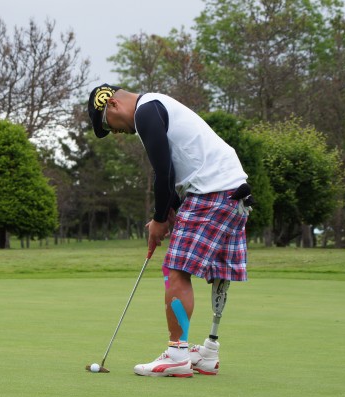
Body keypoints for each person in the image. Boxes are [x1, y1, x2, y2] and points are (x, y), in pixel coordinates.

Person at [87, 84, 253, 377]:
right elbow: (174, 169)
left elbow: (163, 171)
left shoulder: (145, 111)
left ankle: (177, 354)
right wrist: (171, 208)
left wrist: (160, 218)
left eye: (106, 125)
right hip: (232, 191)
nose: (113, 132)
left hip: (211, 192)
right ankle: (207, 354)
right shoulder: (156, 106)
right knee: (217, 271)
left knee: (176, 269)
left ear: (112, 105)